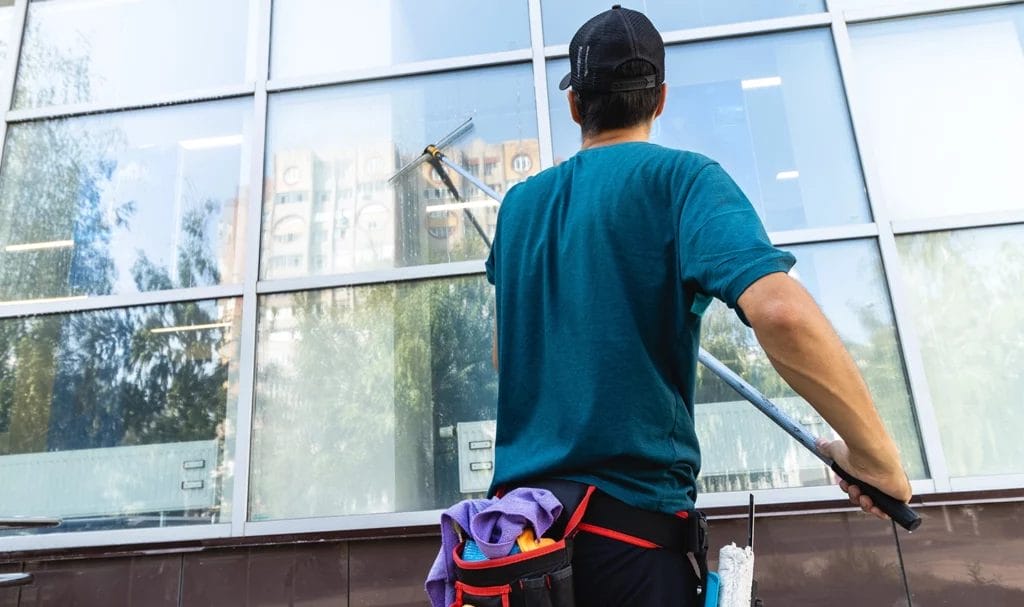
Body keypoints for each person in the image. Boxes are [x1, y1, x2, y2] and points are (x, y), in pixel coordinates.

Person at [484, 5, 912, 605]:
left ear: (576, 105)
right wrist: (875, 459)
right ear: (659, 99)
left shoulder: (519, 207)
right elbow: (781, 312)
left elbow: (510, 358)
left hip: (516, 556)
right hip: (629, 548)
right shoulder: (684, 181)